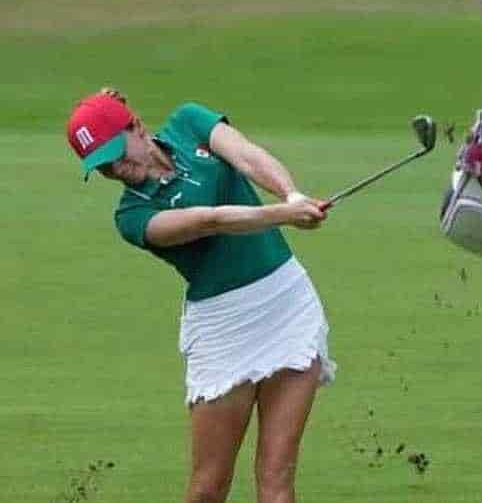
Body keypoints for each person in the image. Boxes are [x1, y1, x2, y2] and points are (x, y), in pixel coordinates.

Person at [66, 88, 335, 501]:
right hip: (223, 329)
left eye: (117, 155)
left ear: (136, 126)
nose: (116, 171)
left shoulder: (189, 121)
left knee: (276, 480)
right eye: (103, 168)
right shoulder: (132, 217)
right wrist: (282, 215)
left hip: (287, 304)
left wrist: (291, 194)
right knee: (209, 487)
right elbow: (209, 222)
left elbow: (246, 155)